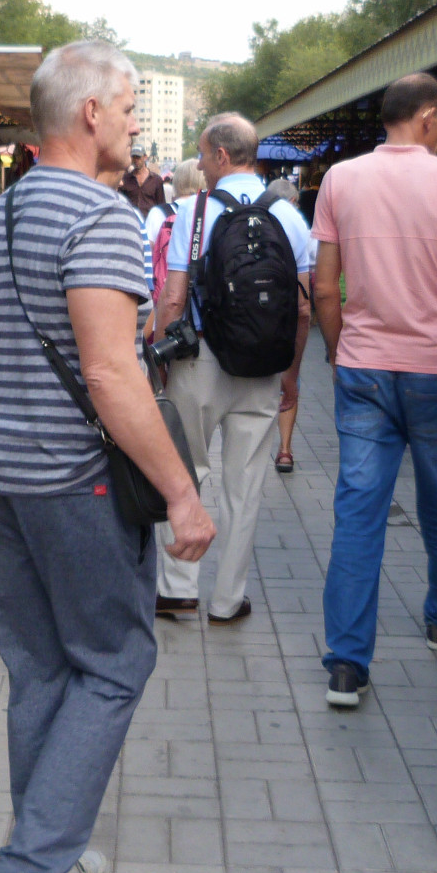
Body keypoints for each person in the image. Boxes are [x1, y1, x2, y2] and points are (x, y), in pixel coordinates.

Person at [0, 40, 215, 873]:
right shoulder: (102, 217)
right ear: (90, 117)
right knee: (114, 662)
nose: (139, 123)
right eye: (130, 104)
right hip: (76, 479)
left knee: (38, 667)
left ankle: (48, 846)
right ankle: (32, 871)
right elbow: (113, 376)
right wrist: (184, 496)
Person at [313, 74, 437, 708]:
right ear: (429, 118)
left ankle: (347, 664)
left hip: (363, 366)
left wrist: (338, 350)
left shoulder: (340, 180)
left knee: (358, 510)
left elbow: (325, 287)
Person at [152, 113, 313, 624]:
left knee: (185, 471)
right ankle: (227, 600)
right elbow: (303, 308)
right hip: (263, 366)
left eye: (202, 153)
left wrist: (161, 361)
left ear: (222, 155)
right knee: (245, 486)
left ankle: (178, 588)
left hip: (199, 362)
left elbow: (173, 298)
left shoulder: (191, 211)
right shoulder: (289, 217)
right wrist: (291, 374)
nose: (199, 163)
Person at [267, 177, 310, 474]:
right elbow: (304, 307)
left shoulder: (251, 215)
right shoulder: (298, 224)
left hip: (249, 325)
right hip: (286, 326)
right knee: (286, 387)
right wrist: (292, 373)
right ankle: (284, 450)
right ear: (293, 201)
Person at [143, 157, 205, 340]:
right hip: (200, 311)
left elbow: (146, 258)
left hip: (163, 302)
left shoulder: (158, 214)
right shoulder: (209, 211)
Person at [118, 144, 166, 215]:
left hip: (150, 220)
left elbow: (161, 204)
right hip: (131, 218)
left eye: (138, 157)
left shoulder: (156, 180)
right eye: (133, 157)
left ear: (145, 157)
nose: (135, 160)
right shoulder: (126, 179)